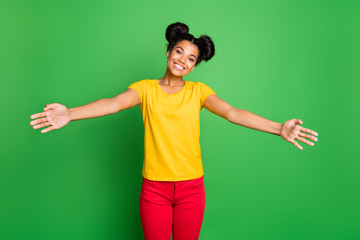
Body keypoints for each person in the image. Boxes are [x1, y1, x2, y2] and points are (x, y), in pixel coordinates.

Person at [29, 22, 319, 240]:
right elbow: (114, 104)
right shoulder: (144, 89)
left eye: (191, 58)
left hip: (192, 189)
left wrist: (278, 127)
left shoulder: (198, 92)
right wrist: (70, 114)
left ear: (194, 67)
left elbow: (232, 112)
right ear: (168, 52)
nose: (182, 59)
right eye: (179, 51)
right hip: (154, 188)